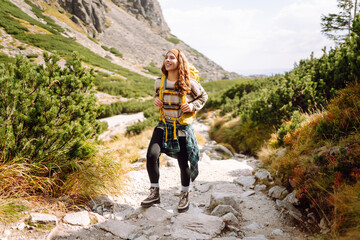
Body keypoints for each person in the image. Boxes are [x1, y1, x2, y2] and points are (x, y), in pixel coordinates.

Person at [141, 49, 208, 211]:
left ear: (180, 62)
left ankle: (184, 194)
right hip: (164, 124)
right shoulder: (159, 81)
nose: (167, 60)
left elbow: (204, 97)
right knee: (151, 155)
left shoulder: (189, 82)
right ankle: (154, 192)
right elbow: (157, 96)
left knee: (182, 161)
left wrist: (192, 105)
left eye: (172, 57)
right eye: (166, 57)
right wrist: (156, 101)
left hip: (182, 127)